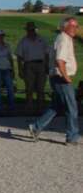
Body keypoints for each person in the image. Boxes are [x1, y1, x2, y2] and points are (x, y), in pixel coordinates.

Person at [29, 17, 81, 145]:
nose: (76, 29)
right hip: (61, 78)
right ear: (64, 27)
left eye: (77, 26)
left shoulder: (64, 38)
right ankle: (72, 137)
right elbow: (60, 60)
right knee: (71, 108)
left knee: (56, 107)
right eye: (73, 26)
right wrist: (66, 77)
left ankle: (36, 127)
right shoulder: (64, 39)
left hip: (57, 77)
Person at [16, 21, 49, 110]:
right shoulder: (23, 41)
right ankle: (29, 106)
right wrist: (20, 69)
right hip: (28, 65)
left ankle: (40, 107)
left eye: (32, 30)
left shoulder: (42, 39)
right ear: (26, 30)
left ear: (34, 30)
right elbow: (19, 56)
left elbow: (47, 54)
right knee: (29, 88)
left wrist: (47, 66)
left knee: (40, 88)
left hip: (41, 65)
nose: (30, 31)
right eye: (29, 30)